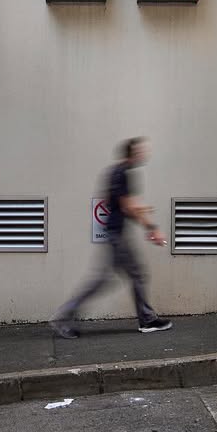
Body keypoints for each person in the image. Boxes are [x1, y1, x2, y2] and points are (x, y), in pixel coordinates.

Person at [51, 137, 173, 337]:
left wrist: (140, 210)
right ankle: (147, 320)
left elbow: (119, 203)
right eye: (141, 151)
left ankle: (64, 317)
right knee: (134, 275)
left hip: (114, 234)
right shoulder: (122, 173)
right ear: (132, 153)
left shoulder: (115, 172)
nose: (145, 155)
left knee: (105, 279)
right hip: (117, 235)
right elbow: (127, 206)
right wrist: (151, 227)